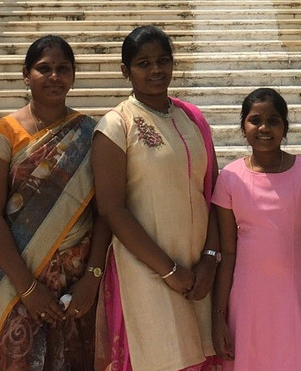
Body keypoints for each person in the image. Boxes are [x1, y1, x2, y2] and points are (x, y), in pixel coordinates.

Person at [0, 35, 112, 371]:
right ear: (26, 74)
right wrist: (28, 288)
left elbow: (105, 214)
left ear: (74, 75)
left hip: (75, 284)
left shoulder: (91, 134)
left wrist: (91, 279)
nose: (54, 77)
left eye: (63, 69)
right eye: (44, 69)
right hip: (13, 280)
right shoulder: (2, 135)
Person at [92, 26, 221, 371]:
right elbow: (111, 208)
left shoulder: (192, 118)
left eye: (163, 60)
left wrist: (209, 261)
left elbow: (214, 193)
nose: (156, 70)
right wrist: (169, 271)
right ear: (126, 70)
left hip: (196, 271)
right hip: (146, 270)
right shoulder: (116, 125)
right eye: (143, 63)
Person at [211, 88, 301, 371]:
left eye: (274, 120)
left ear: (285, 127)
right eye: (255, 120)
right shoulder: (229, 178)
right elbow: (227, 253)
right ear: (243, 126)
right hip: (247, 305)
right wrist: (218, 315)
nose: (264, 128)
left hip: (294, 302)